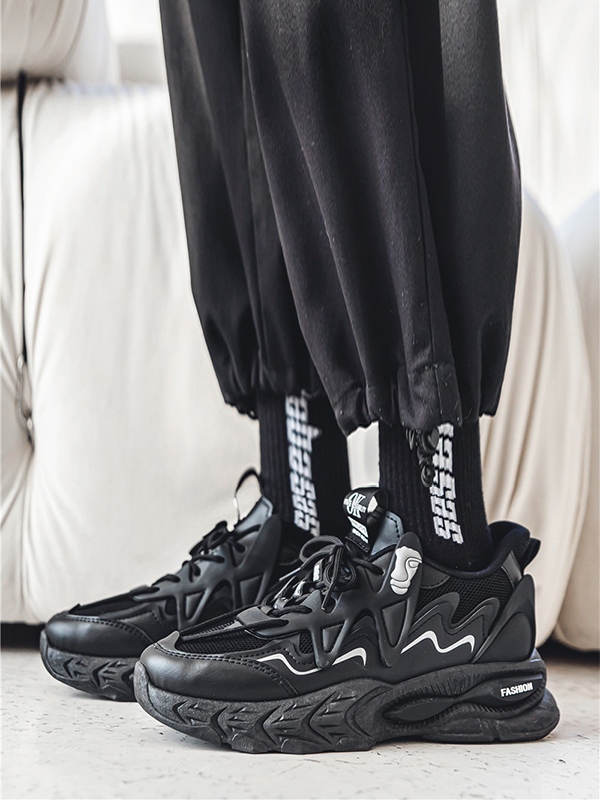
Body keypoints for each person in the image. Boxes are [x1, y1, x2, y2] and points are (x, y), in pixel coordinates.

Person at [40, 0, 560, 751]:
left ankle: (440, 568)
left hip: (437, 551)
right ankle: (300, 523)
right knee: (226, 39)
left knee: (359, 22)